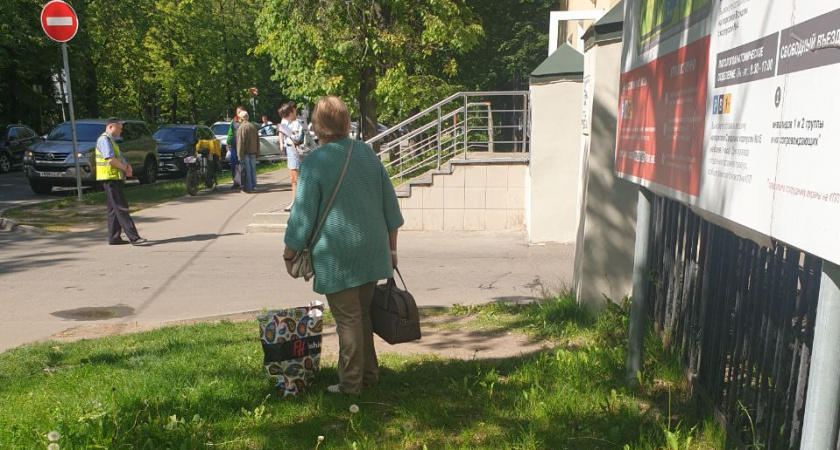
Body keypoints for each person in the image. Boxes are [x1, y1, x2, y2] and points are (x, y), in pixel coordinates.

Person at [283, 96, 404, 395]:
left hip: (339, 256)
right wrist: (391, 250)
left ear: (317, 126)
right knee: (361, 315)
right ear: (345, 120)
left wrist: (289, 253)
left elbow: (302, 217)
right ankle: (368, 374)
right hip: (373, 251)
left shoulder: (314, 163)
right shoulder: (366, 154)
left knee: (348, 320)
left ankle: (351, 385)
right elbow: (391, 208)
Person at [95, 117, 148, 246]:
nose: (121, 131)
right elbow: (111, 159)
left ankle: (114, 238)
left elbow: (118, 157)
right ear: (111, 127)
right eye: (119, 128)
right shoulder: (105, 139)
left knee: (113, 209)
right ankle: (134, 237)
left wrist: (127, 167)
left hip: (113, 177)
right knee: (121, 207)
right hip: (110, 178)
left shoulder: (111, 140)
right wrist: (125, 168)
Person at [278, 101, 305, 211]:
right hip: (290, 150)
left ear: (293, 111)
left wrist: (288, 133)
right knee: (293, 179)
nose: (286, 118)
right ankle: (295, 201)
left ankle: (297, 202)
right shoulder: (288, 122)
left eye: (287, 115)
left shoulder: (297, 123)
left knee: (296, 179)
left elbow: (297, 138)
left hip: (295, 151)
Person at [235, 110, 259, 193]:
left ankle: (249, 187)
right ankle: (254, 185)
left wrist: (239, 155)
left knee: (247, 169)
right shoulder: (253, 126)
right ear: (247, 117)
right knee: (253, 169)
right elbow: (257, 140)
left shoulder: (241, 128)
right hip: (253, 150)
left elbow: (240, 142)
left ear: (241, 118)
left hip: (245, 151)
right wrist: (257, 151)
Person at [226, 106, 244, 189]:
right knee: (234, 164)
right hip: (234, 144)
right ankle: (236, 182)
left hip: (243, 144)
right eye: (238, 112)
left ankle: (244, 181)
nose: (239, 113)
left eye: (241, 111)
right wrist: (228, 143)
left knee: (243, 163)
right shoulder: (234, 120)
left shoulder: (245, 120)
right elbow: (230, 132)